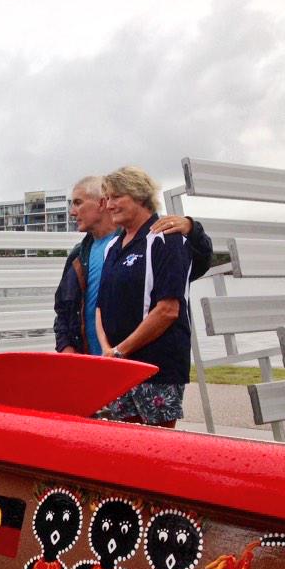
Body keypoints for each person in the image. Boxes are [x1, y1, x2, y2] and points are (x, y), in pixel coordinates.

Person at [54, 175, 212, 355]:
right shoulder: (78, 255)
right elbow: (63, 309)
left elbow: (197, 264)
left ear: (101, 203)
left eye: (78, 203)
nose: (72, 212)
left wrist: (192, 229)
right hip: (92, 363)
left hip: (138, 361)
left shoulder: (148, 242)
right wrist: (67, 348)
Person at [95, 167, 195, 428]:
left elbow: (168, 310)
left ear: (139, 196)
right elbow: (100, 307)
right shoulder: (111, 248)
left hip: (155, 366)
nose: (110, 205)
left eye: (117, 197)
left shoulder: (164, 238)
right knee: (120, 441)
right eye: (107, 198)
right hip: (119, 367)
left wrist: (120, 351)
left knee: (156, 446)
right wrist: (108, 350)